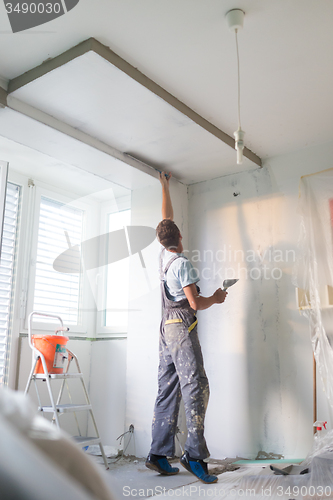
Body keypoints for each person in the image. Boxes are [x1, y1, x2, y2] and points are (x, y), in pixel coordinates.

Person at [145, 172, 227, 484]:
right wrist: (216, 298)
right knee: (196, 387)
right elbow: (195, 304)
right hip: (181, 327)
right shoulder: (182, 263)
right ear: (179, 238)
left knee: (167, 387)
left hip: (165, 330)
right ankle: (194, 455)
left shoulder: (163, 255)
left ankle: (157, 453)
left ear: (161, 239)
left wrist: (164, 186)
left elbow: (165, 218)